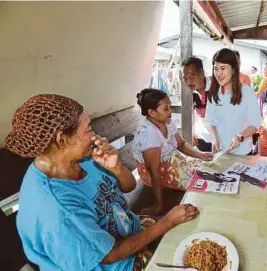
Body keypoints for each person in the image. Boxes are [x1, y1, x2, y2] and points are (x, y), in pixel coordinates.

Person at [6, 94, 200, 271]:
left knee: (195, 230)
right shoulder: (56, 208)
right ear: (62, 140)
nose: (94, 136)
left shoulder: (81, 158)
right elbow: (110, 255)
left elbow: (129, 186)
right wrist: (166, 222)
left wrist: (115, 167)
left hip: (130, 229)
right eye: (88, 129)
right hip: (118, 262)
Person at [133, 88, 212, 215]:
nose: (170, 112)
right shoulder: (148, 134)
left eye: (170, 107)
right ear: (152, 112)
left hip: (171, 162)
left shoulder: (167, 122)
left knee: (205, 170)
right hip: (156, 172)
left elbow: (180, 144)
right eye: (166, 108)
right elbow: (154, 172)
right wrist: (158, 205)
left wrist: (200, 155)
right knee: (201, 184)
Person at [205, 48, 261, 155]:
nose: (219, 73)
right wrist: (214, 138)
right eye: (216, 69)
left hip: (243, 153)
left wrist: (240, 136)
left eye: (223, 68)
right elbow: (209, 121)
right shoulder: (213, 94)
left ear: (234, 69)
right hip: (221, 152)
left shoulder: (247, 92)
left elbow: (254, 124)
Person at [182, 56, 212, 152]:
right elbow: (191, 115)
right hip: (201, 140)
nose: (188, 82)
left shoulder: (217, 88)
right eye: (185, 78)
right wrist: (192, 132)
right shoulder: (189, 93)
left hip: (223, 140)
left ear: (202, 74)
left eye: (191, 77)